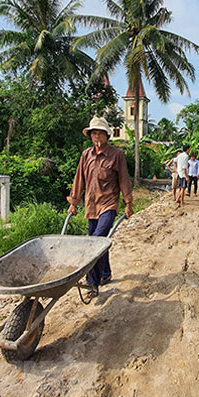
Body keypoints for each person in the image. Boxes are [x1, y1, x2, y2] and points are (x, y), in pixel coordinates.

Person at [67, 116, 133, 298]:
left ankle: (92, 284)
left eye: (100, 133)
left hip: (108, 205)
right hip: (91, 205)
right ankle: (105, 273)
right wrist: (73, 203)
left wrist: (128, 203)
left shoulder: (116, 155)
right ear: (90, 136)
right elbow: (79, 179)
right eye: (93, 133)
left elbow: (124, 180)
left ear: (106, 136)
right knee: (99, 241)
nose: (96, 136)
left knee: (94, 242)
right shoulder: (86, 155)